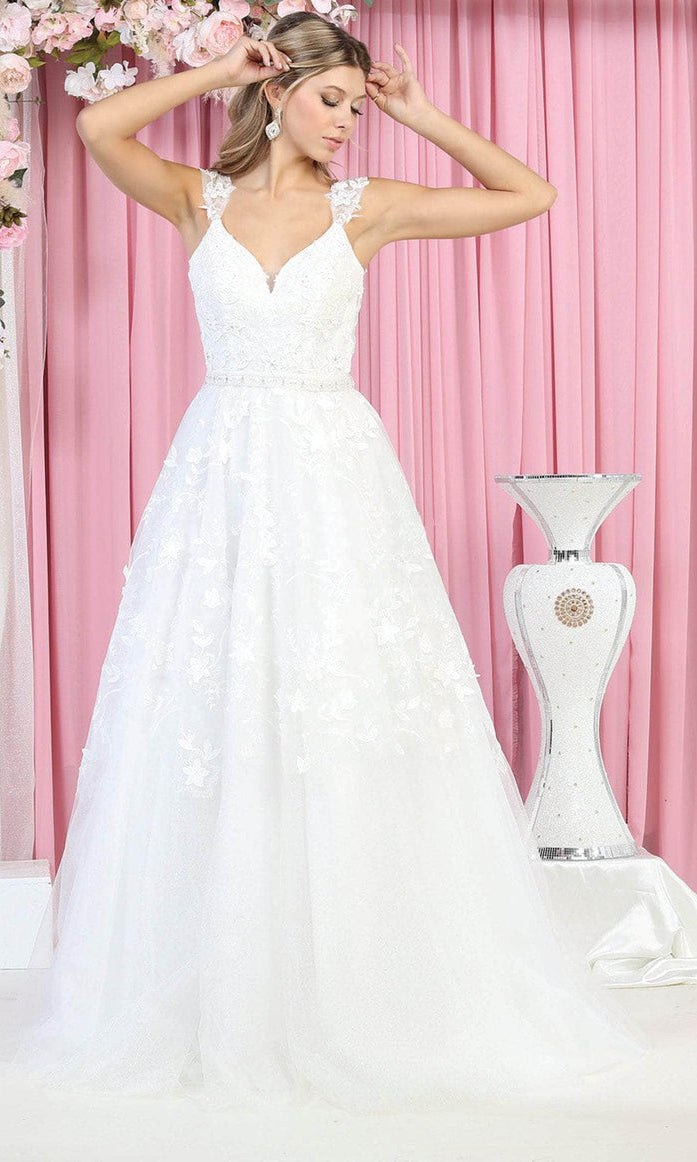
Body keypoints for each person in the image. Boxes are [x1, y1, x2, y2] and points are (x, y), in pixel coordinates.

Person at [0, 12, 652, 1114]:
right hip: (220, 478)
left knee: (337, 701)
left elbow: (528, 195)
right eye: (332, 98)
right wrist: (219, 67)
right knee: (214, 707)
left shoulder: (369, 207)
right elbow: (101, 128)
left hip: (332, 478)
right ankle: (229, 983)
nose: (349, 120)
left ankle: (353, 984)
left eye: (357, 103)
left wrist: (422, 114)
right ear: (278, 92)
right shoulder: (199, 200)